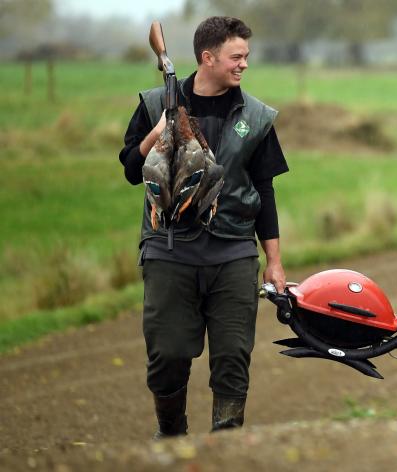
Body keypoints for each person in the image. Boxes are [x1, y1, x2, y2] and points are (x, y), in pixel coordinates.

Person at [118, 16, 288, 437]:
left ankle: (225, 444)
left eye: (246, 56)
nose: (244, 64)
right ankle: (171, 432)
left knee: (233, 356)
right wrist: (156, 133)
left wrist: (274, 262)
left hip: (233, 252)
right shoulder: (156, 103)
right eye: (237, 56)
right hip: (169, 250)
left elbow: (263, 191)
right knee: (168, 353)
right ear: (207, 58)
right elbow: (129, 169)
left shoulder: (257, 117)